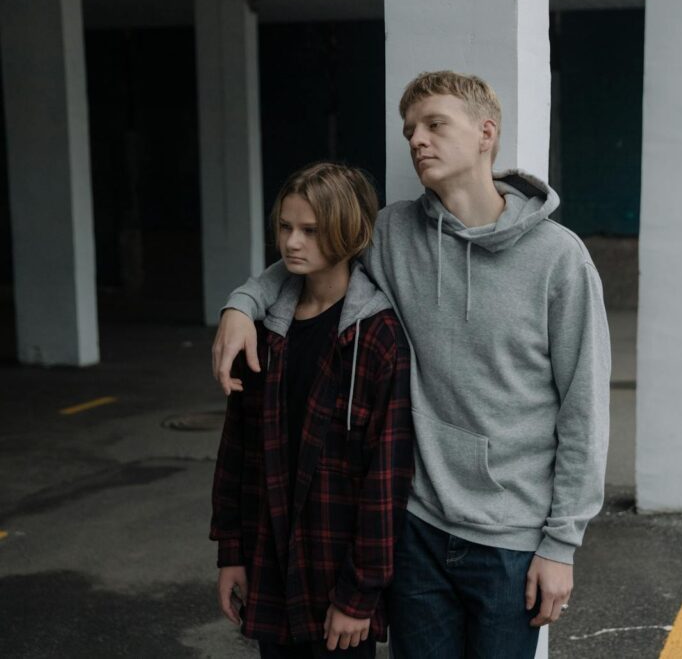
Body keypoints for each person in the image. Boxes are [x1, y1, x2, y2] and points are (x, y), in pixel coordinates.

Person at [213, 71, 610, 658]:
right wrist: (241, 305)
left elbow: (584, 410)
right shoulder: (393, 232)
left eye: (434, 124)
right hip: (416, 528)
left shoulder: (559, 259)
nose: (417, 140)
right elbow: (317, 251)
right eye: (409, 130)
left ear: (485, 132)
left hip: (510, 538)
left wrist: (561, 545)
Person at [210, 162, 414, 658]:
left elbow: (384, 480)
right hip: (271, 564)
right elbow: (238, 451)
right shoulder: (264, 331)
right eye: (285, 227)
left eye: (310, 231)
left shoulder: (377, 337)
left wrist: (359, 594)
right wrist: (231, 553)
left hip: (335, 579)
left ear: (346, 232)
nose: (291, 243)